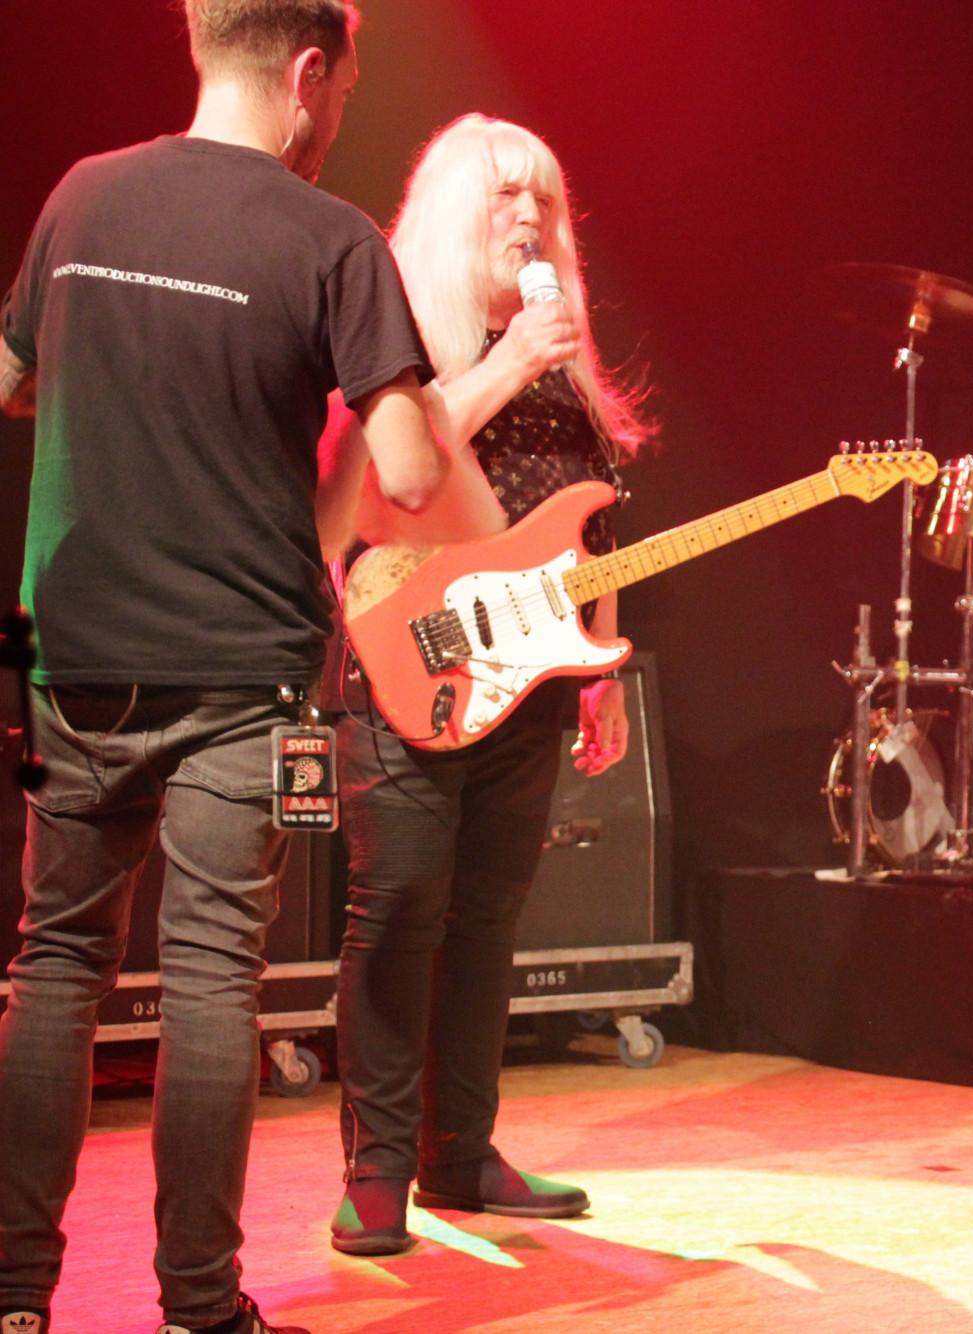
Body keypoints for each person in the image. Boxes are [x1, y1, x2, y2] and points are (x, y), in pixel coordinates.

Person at [0, 4, 493, 1332]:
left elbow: (11, 382)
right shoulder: (331, 239)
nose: (336, 124)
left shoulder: (82, 197)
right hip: (246, 677)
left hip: (74, 653)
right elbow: (405, 474)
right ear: (306, 72)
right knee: (213, 972)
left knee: (55, 963)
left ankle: (14, 1299)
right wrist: (402, 381)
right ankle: (201, 1308)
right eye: (344, 97)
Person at [323, 114, 650, 1257]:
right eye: (506, 194)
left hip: (531, 678)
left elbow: (594, 525)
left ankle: (459, 1151)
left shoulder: (568, 373)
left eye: (544, 198)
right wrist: (508, 364)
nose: (531, 215)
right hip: (411, 666)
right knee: (401, 905)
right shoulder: (404, 343)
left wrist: (604, 664)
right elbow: (380, 477)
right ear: (455, 215)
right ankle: (375, 1170)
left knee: (487, 917)